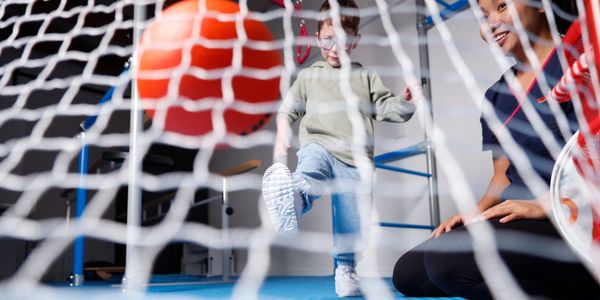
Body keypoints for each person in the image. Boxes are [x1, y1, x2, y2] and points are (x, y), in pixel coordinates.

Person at [392, 0, 600, 299]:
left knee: (446, 265)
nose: (490, 23)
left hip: (573, 217)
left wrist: (544, 204)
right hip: (518, 216)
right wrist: (474, 214)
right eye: (483, 15)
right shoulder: (496, 95)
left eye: (501, 6)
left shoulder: (582, 64)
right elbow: (503, 176)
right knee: (409, 274)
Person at [261, 0, 417, 297]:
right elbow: (289, 109)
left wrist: (406, 101)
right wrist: (282, 132)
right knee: (311, 170)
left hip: (356, 160)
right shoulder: (310, 75)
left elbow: (386, 107)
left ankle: (345, 270)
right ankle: (294, 196)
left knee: (352, 219)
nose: (335, 47)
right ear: (318, 38)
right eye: (328, 39)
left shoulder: (366, 77)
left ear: (355, 40)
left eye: (343, 40)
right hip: (318, 144)